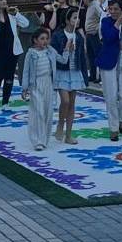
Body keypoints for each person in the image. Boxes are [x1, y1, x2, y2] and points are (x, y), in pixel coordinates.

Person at [96, 0, 122, 141]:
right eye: (111, 9)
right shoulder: (106, 22)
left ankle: (121, 119)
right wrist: (117, 24)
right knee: (111, 96)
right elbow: (107, 38)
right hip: (109, 61)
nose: (113, 11)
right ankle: (113, 128)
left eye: (116, 9)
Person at [21, 28, 67, 151]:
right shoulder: (31, 54)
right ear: (35, 40)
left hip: (48, 83)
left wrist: (67, 49)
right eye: (42, 39)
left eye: (47, 39)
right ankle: (37, 141)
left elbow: (63, 60)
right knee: (39, 112)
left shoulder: (50, 51)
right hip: (36, 84)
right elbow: (26, 71)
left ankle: (44, 139)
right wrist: (25, 88)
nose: (45, 41)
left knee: (48, 112)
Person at [52, 9, 87, 144]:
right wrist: (66, 48)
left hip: (74, 71)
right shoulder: (58, 35)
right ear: (67, 20)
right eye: (74, 18)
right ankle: (60, 124)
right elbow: (54, 54)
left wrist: (84, 73)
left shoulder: (78, 36)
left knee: (72, 103)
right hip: (62, 72)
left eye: (78, 18)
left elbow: (82, 57)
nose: (77, 20)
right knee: (65, 101)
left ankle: (69, 134)